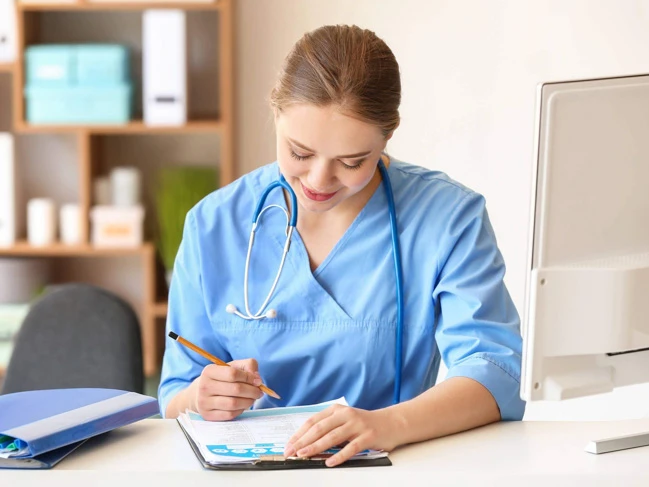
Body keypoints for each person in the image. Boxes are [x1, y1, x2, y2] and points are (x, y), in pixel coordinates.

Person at [158, 24, 525, 467]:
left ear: (387, 137)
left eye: (352, 162)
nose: (317, 181)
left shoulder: (447, 218)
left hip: (394, 467)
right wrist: (202, 396)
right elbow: (174, 396)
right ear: (275, 113)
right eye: (299, 153)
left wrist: (390, 425)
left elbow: (495, 374)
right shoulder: (213, 225)